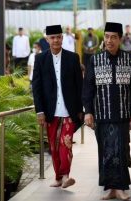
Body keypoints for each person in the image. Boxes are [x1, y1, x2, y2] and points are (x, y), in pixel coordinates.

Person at [82, 22, 131, 201]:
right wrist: (88, 112)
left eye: (113, 37)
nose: (109, 40)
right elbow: (88, 89)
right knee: (106, 151)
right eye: (107, 37)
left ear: (120, 39)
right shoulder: (95, 59)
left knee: (122, 151)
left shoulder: (129, 59)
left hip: (123, 115)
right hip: (102, 115)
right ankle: (110, 188)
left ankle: (122, 188)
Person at [32, 25, 83, 188]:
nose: (56, 40)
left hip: (69, 110)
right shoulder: (40, 59)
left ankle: (66, 175)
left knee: (65, 143)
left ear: (62, 38)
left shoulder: (73, 58)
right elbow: (36, 87)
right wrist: (40, 111)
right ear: (47, 39)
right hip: (50, 111)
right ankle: (58, 176)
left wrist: (81, 109)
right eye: (52, 37)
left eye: (58, 37)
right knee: (53, 147)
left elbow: (79, 85)